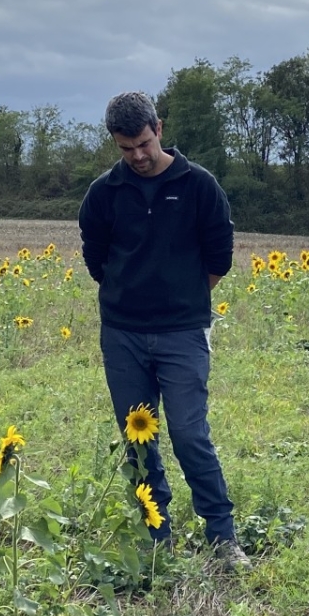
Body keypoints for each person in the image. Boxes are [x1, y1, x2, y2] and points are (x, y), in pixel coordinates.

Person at [77, 91, 247, 567]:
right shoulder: (103, 193)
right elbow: (96, 257)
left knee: (191, 433)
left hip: (182, 332)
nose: (138, 156)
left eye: (145, 144)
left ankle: (222, 536)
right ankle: (157, 531)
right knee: (138, 438)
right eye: (126, 148)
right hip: (123, 333)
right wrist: (127, 292)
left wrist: (183, 295)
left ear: (159, 128)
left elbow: (219, 255)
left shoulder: (199, 185)